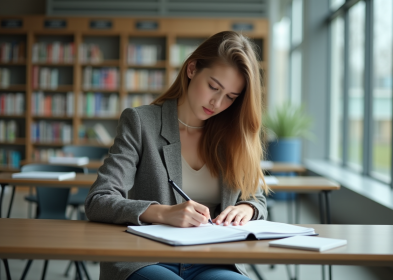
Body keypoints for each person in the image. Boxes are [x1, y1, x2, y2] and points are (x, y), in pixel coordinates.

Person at [85, 30, 270, 280]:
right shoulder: (141, 122)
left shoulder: (234, 135)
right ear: (192, 69)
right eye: (213, 87)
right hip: (147, 258)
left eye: (230, 97)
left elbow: (256, 197)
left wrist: (247, 208)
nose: (217, 103)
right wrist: (162, 213)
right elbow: (98, 200)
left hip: (213, 259)